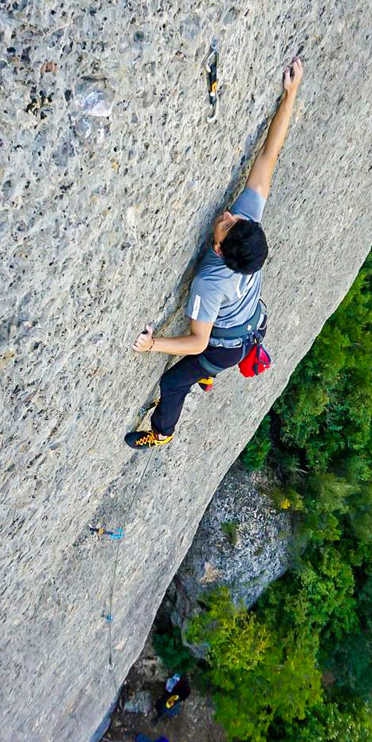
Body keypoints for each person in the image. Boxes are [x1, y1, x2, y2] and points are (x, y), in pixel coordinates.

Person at [125, 56, 304, 450]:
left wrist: (152, 345)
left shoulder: (210, 282)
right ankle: (205, 376)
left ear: (220, 251)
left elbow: (197, 342)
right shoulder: (246, 230)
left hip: (227, 346)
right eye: (233, 220)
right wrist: (290, 97)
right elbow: (267, 159)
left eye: (226, 225)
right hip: (250, 322)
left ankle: (162, 432)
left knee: (173, 382)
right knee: (201, 364)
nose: (226, 215)